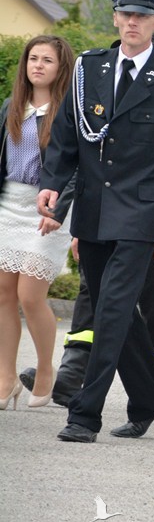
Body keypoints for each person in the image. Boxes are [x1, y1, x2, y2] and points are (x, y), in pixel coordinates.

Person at [38, 0, 154, 442]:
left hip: (143, 212)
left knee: (115, 310)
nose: (133, 22)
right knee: (110, 308)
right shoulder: (88, 68)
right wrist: (53, 188)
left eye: (143, 15)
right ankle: (150, 397)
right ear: (116, 19)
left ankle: (85, 414)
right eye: (126, 13)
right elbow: (67, 136)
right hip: (96, 209)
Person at [0, 35, 74, 411]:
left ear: (61, 68)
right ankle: (6, 378)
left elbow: (78, 168)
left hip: (49, 208)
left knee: (30, 296)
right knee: (3, 294)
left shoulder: (68, 113)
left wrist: (61, 209)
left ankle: (46, 369)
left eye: (47, 60)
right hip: (8, 205)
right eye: (33, 58)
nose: (38, 65)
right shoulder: (11, 107)